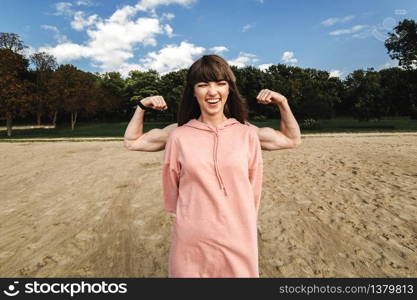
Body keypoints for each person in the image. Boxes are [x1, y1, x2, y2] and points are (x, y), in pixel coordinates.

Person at [123, 55, 301, 277]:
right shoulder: (178, 134)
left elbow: (292, 139)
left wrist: (282, 102)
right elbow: (131, 142)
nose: (212, 91)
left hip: (238, 234)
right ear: (193, 92)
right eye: (203, 84)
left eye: (220, 83)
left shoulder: (247, 133)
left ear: (229, 89)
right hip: (192, 236)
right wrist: (141, 106)